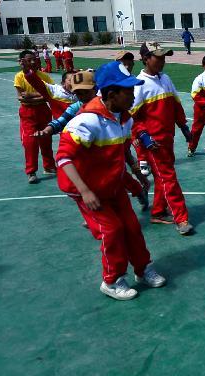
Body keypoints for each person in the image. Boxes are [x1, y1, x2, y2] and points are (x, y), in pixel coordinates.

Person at [56, 61, 167, 300]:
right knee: (112, 230)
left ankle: (142, 268)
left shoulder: (124, 118)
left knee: (132, 226)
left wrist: (137, 177)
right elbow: (63, 159)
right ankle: (112, 280)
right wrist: (85, 191)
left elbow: (122, 151)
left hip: (111, 184)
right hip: (86, 188)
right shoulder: (86, 121)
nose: (133, 95)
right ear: (111, 94)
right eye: (128, 91)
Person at [33, 70, 150, 212]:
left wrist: (137, 171)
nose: (82, 96)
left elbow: (125, 147)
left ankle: (139, 193)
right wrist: (47, 130)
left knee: (124, 177)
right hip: (96, 158)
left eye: (85, 92)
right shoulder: (79, 110)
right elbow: (61, 121)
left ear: (95, 89)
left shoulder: (113, 108)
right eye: (78, 93)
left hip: (111, 156)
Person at [130, 42, 195, 236]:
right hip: (153, 143)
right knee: (168, 177)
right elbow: (131, 117)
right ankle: (181, 218)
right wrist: (144, 136)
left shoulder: (165, 78)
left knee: (162, 177)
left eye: (163, 57)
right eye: (157, 57)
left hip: (168, 139)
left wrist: (184, 127)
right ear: (145, 59)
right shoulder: (138, 85)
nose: (162, 61)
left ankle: (158, 212)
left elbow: (176, 105)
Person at [13, 50, 56, 184]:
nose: (33, 62)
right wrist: (39, 96)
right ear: (21, 61)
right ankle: (31, 171)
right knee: (30, 142)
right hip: (27, 112)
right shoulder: (19, 77)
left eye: (34, 59)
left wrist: (31, 96)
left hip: (44, 111)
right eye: (29, 60)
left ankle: (49, 166)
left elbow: (49, 95)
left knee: (46, 138)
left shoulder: (44, 76)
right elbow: (21, 97)